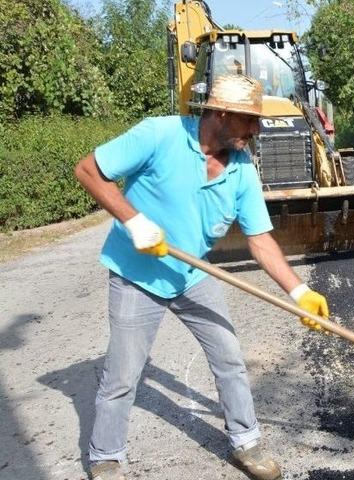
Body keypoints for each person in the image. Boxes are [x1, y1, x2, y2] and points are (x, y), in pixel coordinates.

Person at [74, 74, 330, 480]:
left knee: (228, 355)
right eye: (250, 121)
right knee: (124, 371)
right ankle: (107, 456)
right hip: (137, 276)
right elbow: (88, 170)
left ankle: (246, 443)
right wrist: (134, 220)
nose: (257, 130)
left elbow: (260, 240)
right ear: (222, 114)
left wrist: (299, 290)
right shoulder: (159, 134)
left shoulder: (242, 170)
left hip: (193, 272)